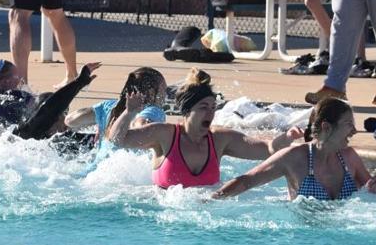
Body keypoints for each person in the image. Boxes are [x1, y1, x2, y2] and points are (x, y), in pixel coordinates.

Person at [111, 69, 302, 189]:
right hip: (164, 218)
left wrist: (287, 137)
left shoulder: (219, 139)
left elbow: (267, 149)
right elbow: (117, 140)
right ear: (186, 111)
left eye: (212, 108)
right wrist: (128, 113)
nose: (210, 114)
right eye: (203, 108)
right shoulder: (165, 135)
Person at [214, 98, 376, 201]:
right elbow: (247, 181)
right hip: (304, 242)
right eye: (349, 125)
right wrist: (212, 201)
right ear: (326, 127)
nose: (354, 131)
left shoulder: (350, 158)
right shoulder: (294, 158)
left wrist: (373, 192)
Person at [0, 57, 101, 141]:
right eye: (17, 76)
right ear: (6, 81)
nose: (20, 80)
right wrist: (79, 82)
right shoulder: (17, 99)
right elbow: (49, 107)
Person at [64, 66, 168, 149]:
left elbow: (70, 121)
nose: (165, 96)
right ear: (152, 92)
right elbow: (141, 126)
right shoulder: (153, 110)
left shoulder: (109, 106)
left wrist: (100, 125)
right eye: (164, 90)